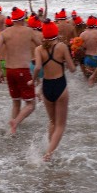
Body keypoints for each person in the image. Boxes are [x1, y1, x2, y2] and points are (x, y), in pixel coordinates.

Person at [33, 22, 76, 161]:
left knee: (52, 121)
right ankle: (48, 154)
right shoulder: (62, 47)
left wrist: (32, 81)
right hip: (60, 85)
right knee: (60, 125)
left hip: (46, 86)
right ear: (55, 33)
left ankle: (49, 149)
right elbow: (72, 68)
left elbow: (38, 67)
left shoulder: (38, 49)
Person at [0, 9, 41, 134]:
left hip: (9, 71)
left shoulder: (4, 33)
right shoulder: (29, 31)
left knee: (16, 102)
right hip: (23, 70)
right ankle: (15, 122)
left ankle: (12, 130)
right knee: (31, 104)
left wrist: (0, 71)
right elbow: (40, 46)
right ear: (22, 19)